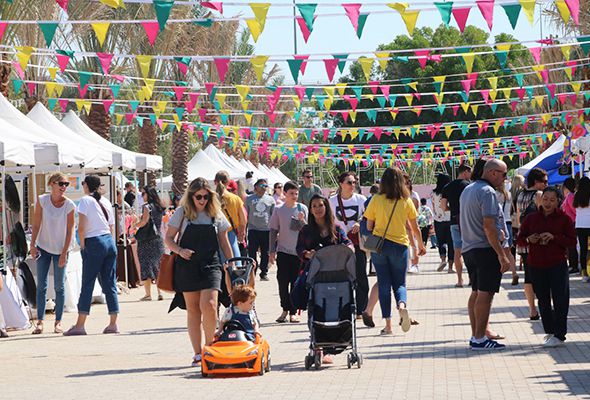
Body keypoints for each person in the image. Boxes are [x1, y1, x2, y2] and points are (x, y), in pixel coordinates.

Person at [164, 178, 234, 367]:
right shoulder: (182, 213)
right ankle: (197, 353)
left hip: (211, 264)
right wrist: (180, 251)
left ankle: (210, 348)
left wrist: (232, 264)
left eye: (206, 196)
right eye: (198, 197)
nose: (202, 200)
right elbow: (168, 238)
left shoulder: (216, 213)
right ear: (191, 196)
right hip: (187, 265)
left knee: (210, 305)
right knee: (193, 309)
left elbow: (224, 241)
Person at [364, 167, 426, 335]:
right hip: (400, 246)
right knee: (400, 283)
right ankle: (402, 306)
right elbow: (415, 228)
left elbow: (369, 226)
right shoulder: (406, 201)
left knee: (384, 283)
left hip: (380, 247)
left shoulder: (375, 200)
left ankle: (388, 325)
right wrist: (420, 246)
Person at [460, 159, 512, 350]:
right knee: (485, 293)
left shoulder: (469, 189)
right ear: (492, 172)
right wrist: (501, 254)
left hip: (470, 248)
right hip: (485, 249)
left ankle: (477, 336)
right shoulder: (487, 192)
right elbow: (489, 226)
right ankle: (480, 338)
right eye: (504, 174)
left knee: (476, 292)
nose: (505, 179)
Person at [517, 186, 575, 347]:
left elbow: (572, 241)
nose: (548, 203)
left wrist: (554, 237)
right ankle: (550, 331)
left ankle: (560, 334)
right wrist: (530, 239)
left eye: (552, 200)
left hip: (557, 264)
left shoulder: (564, 219)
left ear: (558, 202)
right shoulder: (531, 218)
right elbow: (520, 239)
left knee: (560, 299)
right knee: (542, 299)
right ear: (540, 201)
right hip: (536, 264)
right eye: (545, 199)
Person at [64, 175, 119, 336]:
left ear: (87, 185)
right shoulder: (106, 201)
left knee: (87, 283)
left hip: (94, 242)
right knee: (110, 284)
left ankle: (80, 324)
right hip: (109, 241)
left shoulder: (85, 201)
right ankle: (113, 323)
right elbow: (111, 227)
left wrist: (82, 245)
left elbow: (81, 227)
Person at [30, 172, 76, 335]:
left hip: (61, 249)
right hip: (43, 247)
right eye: (61, 183)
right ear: (52, 184)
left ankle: (58, 322)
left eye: (66, 184)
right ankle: (40, 322)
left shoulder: (69, 205)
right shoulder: (42, 201)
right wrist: (32, 244)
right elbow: (36, 224)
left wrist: (64, 253)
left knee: (59, 286)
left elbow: (70, 230)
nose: (64, 187)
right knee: (41, 285)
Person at [329, 172, 368, 319]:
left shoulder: (361, 199)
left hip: (358, 242)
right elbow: (328, 219)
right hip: (339, 244)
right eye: (349, 182)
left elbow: (369, 215)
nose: (353, 185)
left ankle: (362, 309)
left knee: (360, 275)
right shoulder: (332, 201)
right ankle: (344, 308)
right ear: (341, 184)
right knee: (342, 277)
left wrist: (360, 222)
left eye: (354, 182)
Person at [269, 181, 308, 323]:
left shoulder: (302, 208)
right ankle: (284, 309)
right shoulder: (278, 209)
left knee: (295, 282)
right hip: (283, 251)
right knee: (282, 282)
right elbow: (273, 230)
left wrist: (302, 221)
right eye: (291, 193)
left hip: (298, 252)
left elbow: (307, 230)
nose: (294, 196)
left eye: (296, 193)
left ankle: (293, 312)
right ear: (284, 194)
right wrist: (271, 251)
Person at [516, 167, 548, 319]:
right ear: (537, 182)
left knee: (528, 276)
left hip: (524, 239)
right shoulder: (539, 195)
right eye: (544, 181)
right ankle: (544, 307)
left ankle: (532, 310)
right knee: (542, 274)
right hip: (537, 240)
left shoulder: (520, 195)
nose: (546, 184)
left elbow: (517, 218)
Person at [441, 164, 472, 287]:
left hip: (454, 221)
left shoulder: (447, 187)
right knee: (470, 250)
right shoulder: (469, 186)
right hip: (468, 221)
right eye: (470, 172)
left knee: (457, 251)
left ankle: (460, 280)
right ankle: (472, 277)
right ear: (465, 172)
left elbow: (443, 207)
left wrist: (451, 209)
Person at [135, 186, 166, 301]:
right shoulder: (159, 207)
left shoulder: (147, 207)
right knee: (157, 266)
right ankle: (160, 292)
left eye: (143, 194)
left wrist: (135, 225)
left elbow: (144, 222)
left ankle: (148, 294)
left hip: (146, 240)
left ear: (148, 194)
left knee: (146, 266)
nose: (142, 196)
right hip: (158, 239)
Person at [245, 179, 275, 281]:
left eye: (265, 186)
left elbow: (273, 214)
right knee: (252, 252)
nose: (264, 188)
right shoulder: (249, 199)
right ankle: (252, 271)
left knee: (265, 252)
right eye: (262, 186)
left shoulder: (270, 200)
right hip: (253, 229)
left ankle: (264, 272)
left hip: (266, 230)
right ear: (256, 187)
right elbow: (245, 215)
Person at [214, 171, 247, 263]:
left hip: (213, 235)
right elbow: (243, 220)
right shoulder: (235, 199)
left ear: (215, 182)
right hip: (230, 234)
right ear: (228, 182)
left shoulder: (210, 198)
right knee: (234, 263)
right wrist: (242, 233)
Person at [496, 184, 519, 286]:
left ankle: (498, 275)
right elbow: (511, 210)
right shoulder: (509, 194)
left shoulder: (495, 195)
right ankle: (514, 272)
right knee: (508, 251)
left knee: (498, 251)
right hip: (508, 223)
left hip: (499, 223)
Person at [431, 174, 454, 273]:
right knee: (451, 243)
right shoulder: (450, 191)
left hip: (438, 219)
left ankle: (443, 260)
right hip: (450, 219)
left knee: (441, 241)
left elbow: (433, 207)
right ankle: (450, 267)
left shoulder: (433, 193)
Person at [573, 176, 590, 282]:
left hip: (579, 225)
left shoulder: (576, 195)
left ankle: (584, 273)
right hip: (589, 225)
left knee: (583, 249)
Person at [561, 177, 579, 274]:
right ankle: (572, 265)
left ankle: (574, 265)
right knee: (570, 246)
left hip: (572, 223)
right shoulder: (569, 196)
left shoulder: (570, 196)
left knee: (572, 246)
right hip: (569, 223)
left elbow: (574, 210)